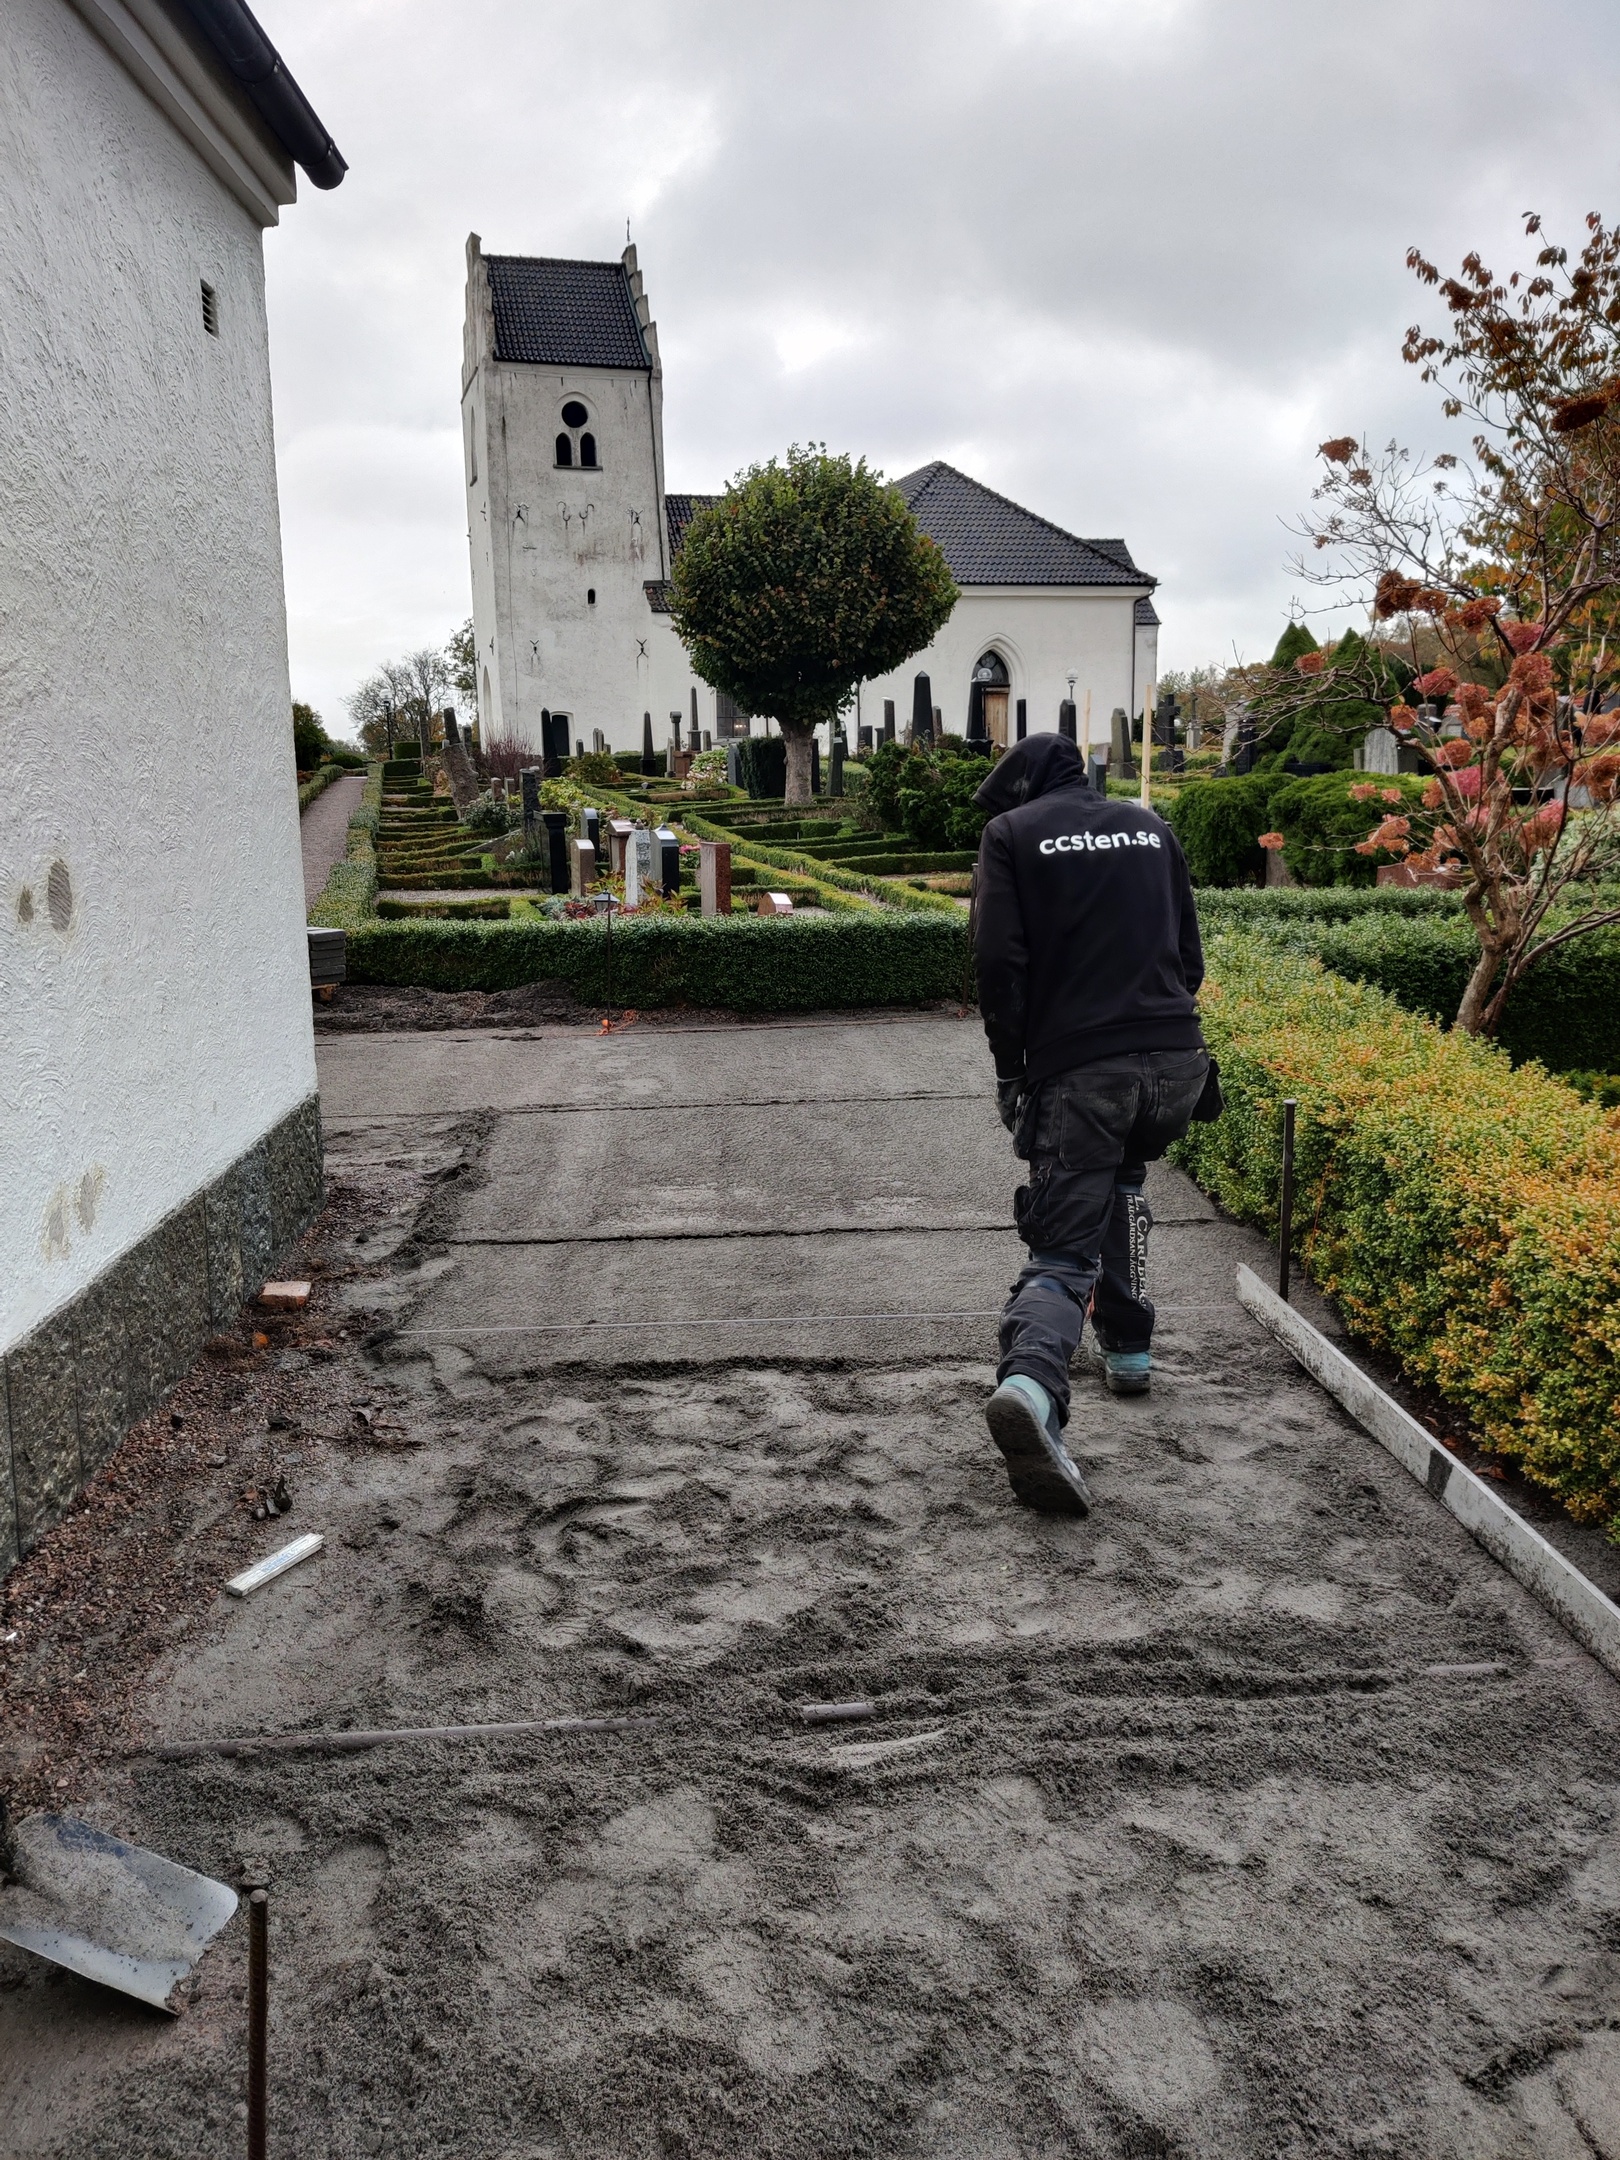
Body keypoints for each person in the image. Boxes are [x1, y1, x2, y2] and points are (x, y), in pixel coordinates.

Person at [970, 731, 1214, 1516]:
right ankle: (1132, 1351)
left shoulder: (1011, 834)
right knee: (1123, 1183)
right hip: (1177, 1066)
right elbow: (1189, 954)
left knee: (1061, 1244)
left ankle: (1031, 1389)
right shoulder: (1151, 825)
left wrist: (1015, 1069)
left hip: (1084, 1072)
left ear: (1022, 788)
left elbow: (997, 963)